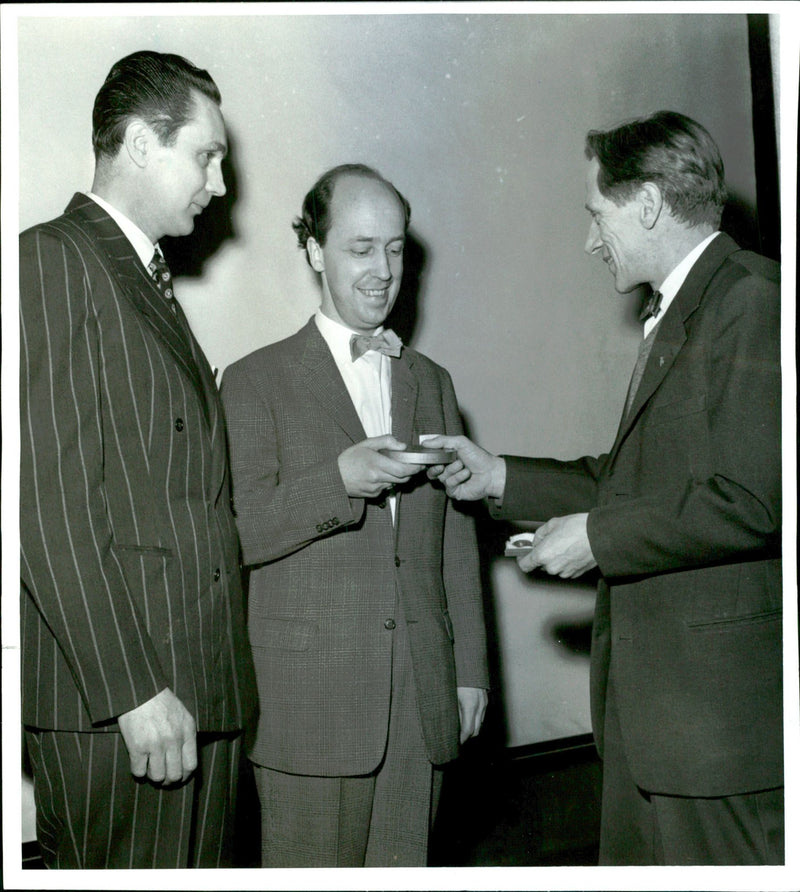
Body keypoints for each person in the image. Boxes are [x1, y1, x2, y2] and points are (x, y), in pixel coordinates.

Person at [427, 111, 782, 865]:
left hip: (716, 740)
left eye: (598, 214)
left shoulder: (753, 302)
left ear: (648, 204)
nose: (592, 240)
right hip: (658, 731)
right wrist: (496, 476)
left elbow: (754, 499)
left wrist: (593, 538)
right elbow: (628, 480)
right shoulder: (687, 311)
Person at [19, 50, 256, 869]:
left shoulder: (143, 280)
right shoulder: (53, 259)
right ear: (141, 144)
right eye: (207, 154)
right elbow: (46, 505)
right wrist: (132, 690)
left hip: (198, 686)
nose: (220, 184)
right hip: (128, 700)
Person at [220, 163, 489, 867]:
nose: (383, 270)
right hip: (308, 708)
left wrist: (469, 673)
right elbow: (237, 533)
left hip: (420, 701)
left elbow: (456, 542)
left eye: (396, 248)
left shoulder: (432, 382)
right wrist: (336, 481)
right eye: (360, 247)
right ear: (314, 250)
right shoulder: (253, 381)